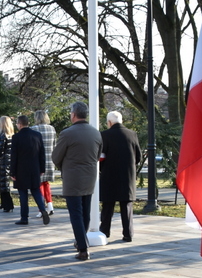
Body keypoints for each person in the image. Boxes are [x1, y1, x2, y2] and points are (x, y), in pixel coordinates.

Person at [52, 102, 102, 261]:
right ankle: (81, 241)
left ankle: (83, 248)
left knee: (76, 214)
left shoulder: (67, 133)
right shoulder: (96, 133)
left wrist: (63, 166)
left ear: (73, 114)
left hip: (73, 177)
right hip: (90, 176)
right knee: (85, 212)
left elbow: (56, 156)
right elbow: (97, 155)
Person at [99, 111, 141, 242]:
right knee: (126, 205)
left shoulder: (104, 135)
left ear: (109, 122)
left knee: (107, 206)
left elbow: (101, 157)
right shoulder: (132, 134)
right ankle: (128, 234)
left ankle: (104, 231)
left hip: (109, 175)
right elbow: (138, 157)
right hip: (127, 175)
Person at [9, 115, 50, 226]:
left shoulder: (16, 137)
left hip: (20, 169)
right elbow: (42, 154)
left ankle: (24, 217)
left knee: (23, 194)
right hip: (34, 168)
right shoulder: (37, 135)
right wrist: (42, 168)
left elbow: (14, 156)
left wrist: (12, 172)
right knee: (36, 191)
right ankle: (43, 210)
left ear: (20, 124)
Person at [31, 110, 57, 217]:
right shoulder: (52, 129)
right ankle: (50, 205)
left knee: (39, 185)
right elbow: (55, 145)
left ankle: (41, 209)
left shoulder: (33, 129)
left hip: (38, 161)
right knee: (46, 183)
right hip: (50, 160)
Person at [0, 116, 14, 213]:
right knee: (4, 182)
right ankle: (4, 204)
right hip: (9, 161)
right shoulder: (12, 135)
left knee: (3, 183)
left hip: (3, 161)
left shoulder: (2, 135)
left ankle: (8, 205)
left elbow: (0, 149)